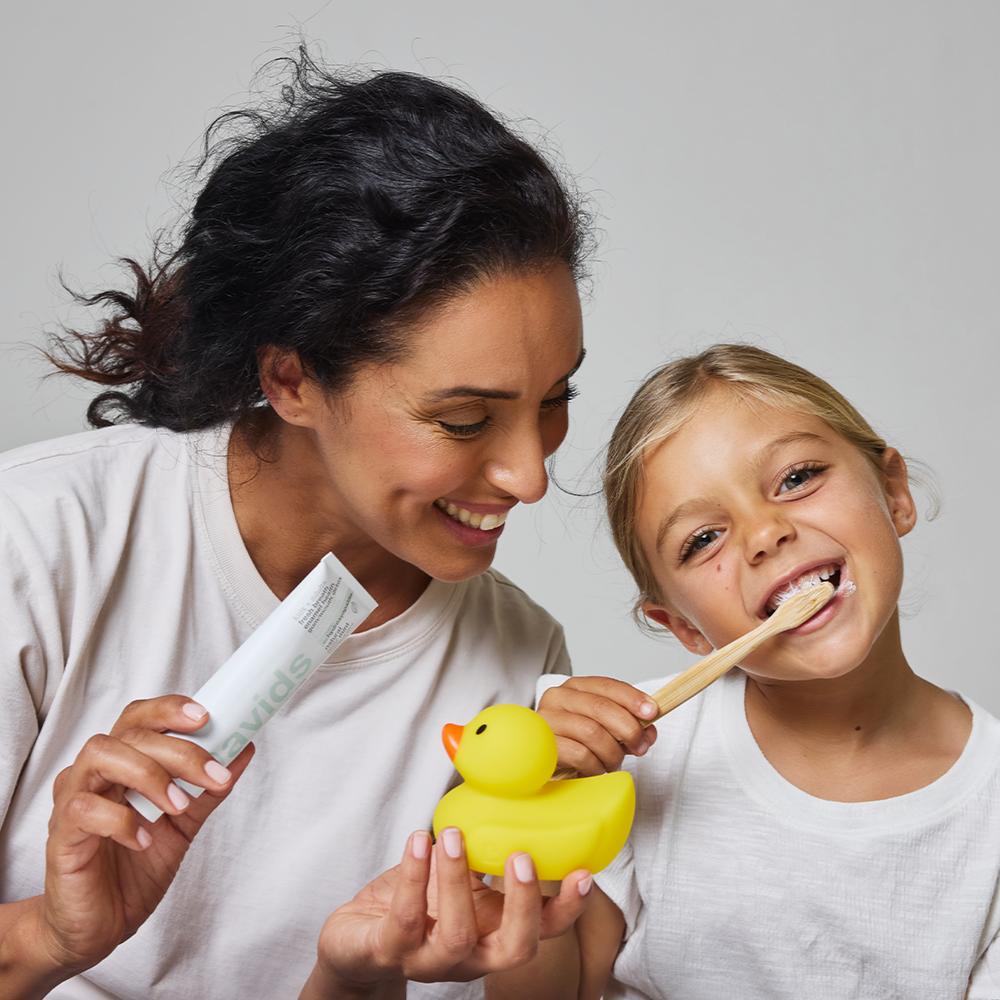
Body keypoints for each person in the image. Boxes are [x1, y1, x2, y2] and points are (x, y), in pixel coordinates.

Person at [0, 51, 595, 1000]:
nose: (530, 476)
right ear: (292, 380)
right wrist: (48, 937)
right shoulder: (35, 543)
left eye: (555, 399)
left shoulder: (517, 667)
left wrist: (361, 978)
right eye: (465, 420)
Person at [486, 344, 1000, 999]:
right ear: (686, 629)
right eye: (702, 540)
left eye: (797, 477)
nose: (765, 533)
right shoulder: (635, 757)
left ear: (893, 493)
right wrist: (533, 840)